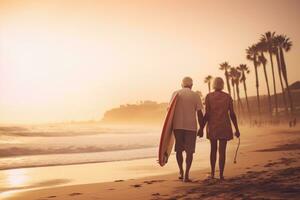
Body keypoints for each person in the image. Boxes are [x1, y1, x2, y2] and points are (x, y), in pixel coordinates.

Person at [200, 77, 240, 180]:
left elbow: (207, 114)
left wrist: (201, 128)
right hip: (224, 126)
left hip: (213, 127)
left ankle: (213, 173)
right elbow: (232, 114)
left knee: (213, 150)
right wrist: (237, 129)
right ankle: (221, 175)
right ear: (222, 85)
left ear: (213, 85)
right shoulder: (227, 97)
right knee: (222, 151)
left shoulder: (209, 96)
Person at [169, 76, 204, 182]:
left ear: (181, 84)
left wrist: (169, 129)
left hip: (177, 126)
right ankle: (187, 174)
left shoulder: (175, 93)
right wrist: (202, 128)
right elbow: (199, 113)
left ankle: (181, 171)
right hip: (191, 127)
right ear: (191, 85)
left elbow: (170, 111)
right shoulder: (195, 95)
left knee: (179, 150)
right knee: (189, 152)